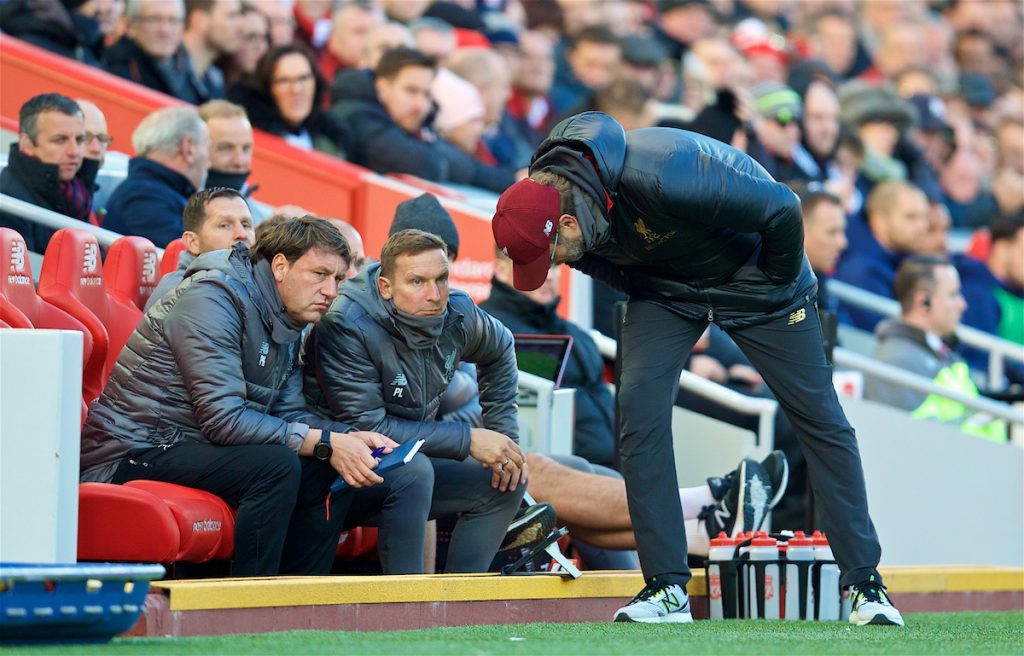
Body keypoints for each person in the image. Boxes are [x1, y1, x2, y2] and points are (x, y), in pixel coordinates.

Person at [491, 111, 903, 626]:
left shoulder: (666, 173)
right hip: (667, 290)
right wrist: (654, 289)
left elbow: (784, 208)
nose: (552, 266)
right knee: (638, 413)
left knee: (820, 418)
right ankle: (666, 589)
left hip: (760, 281)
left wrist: (771, 283)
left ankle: (866, 584)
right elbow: (595, 262)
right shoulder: (558, 209)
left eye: (551, 254)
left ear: (568, 222)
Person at [80, 214, 410, 577]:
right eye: (319, 275)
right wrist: (325, 442)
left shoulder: (287, 314)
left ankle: (296, 604)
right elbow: (223, 419)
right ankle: (251, 601)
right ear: (281, 266)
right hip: (133, 449)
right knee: (276, 465)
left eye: (337, 279)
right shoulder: (213, 297)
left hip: (193, 444)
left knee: (326, 471)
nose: (331, 291)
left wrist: (345, 439)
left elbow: (289, 415)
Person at [302, 229, 527, 573]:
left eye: (441, 279)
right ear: (386, 288)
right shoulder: (347, 324)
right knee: (413, 470)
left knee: (505, 483)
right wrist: (468, 440)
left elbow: (500, 349)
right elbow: (371, 429)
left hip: (403, 457)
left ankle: (460, 610)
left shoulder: (458, 312)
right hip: (332, 467)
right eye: (418, 282)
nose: (435, 295)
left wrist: (504, 441)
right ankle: (408, 608)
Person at [329, 47, 515, 193]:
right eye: (411, 91)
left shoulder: (411, 123)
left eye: (426, 94)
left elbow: (466, 167)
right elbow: (421, 163)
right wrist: (447, 162)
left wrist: (513, 181)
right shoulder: (356, 115)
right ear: (383, 87)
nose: (421, 105)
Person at [864, 256, 1006, 442]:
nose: (963, 304)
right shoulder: (896, 360)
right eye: (953, 295)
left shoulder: (938, 351)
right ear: (924, 302)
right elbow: (904, 442)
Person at [0, 93, 98, 254]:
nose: (74, 151)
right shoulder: (8, 201)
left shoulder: (79, 188)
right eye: (60, 140)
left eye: (80, 140)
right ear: (27, 145)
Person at [102, 105, 210, 248]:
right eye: (207, 147)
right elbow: (191, 257)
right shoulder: (143, 197)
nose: (209, 161)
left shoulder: (151, 192)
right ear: (188, 148)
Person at [834, 180, 930, 332]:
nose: (922, 226)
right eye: (911, 217)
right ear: (879, 220)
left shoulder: (899, 258)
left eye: (925, 217)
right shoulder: (861, 272)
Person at [228, 44, 351, 158]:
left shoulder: (331, 137)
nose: (296, 89)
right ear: (266, 87)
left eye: (303, 78)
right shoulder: (248, 141)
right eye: (283, 81)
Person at [143, 186, 255, 311]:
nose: (242, 234)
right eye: (224, 225)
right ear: (193, 242)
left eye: (246, 225)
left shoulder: (258, 282)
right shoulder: (183, 292)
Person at [104, 0, 207, 104]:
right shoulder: (114, 67)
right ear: (131, 26)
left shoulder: (188, 70)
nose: (165, 30)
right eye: (155, 19)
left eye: (173, 20)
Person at [181, 0, 245, 102]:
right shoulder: (163, 69)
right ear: (199, 20)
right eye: (231, 16)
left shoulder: (216, 81)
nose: (241, 27)